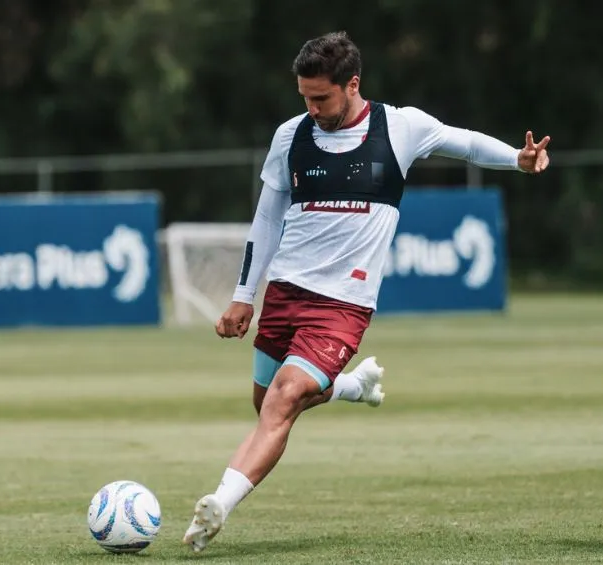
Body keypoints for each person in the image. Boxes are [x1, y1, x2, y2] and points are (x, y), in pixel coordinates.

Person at [183, 30, 550, 553]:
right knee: (267, 404)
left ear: (352, 84)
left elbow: (465, 142)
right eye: (304, 97)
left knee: (284, 399)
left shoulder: (399, 127)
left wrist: (517, 158)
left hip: (342, 304)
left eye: (321, 98)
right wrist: (244, 294)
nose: (311, 109)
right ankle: (353, 387)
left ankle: (219, 503)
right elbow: (265, 219)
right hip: (285, 291)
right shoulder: (290, 137)